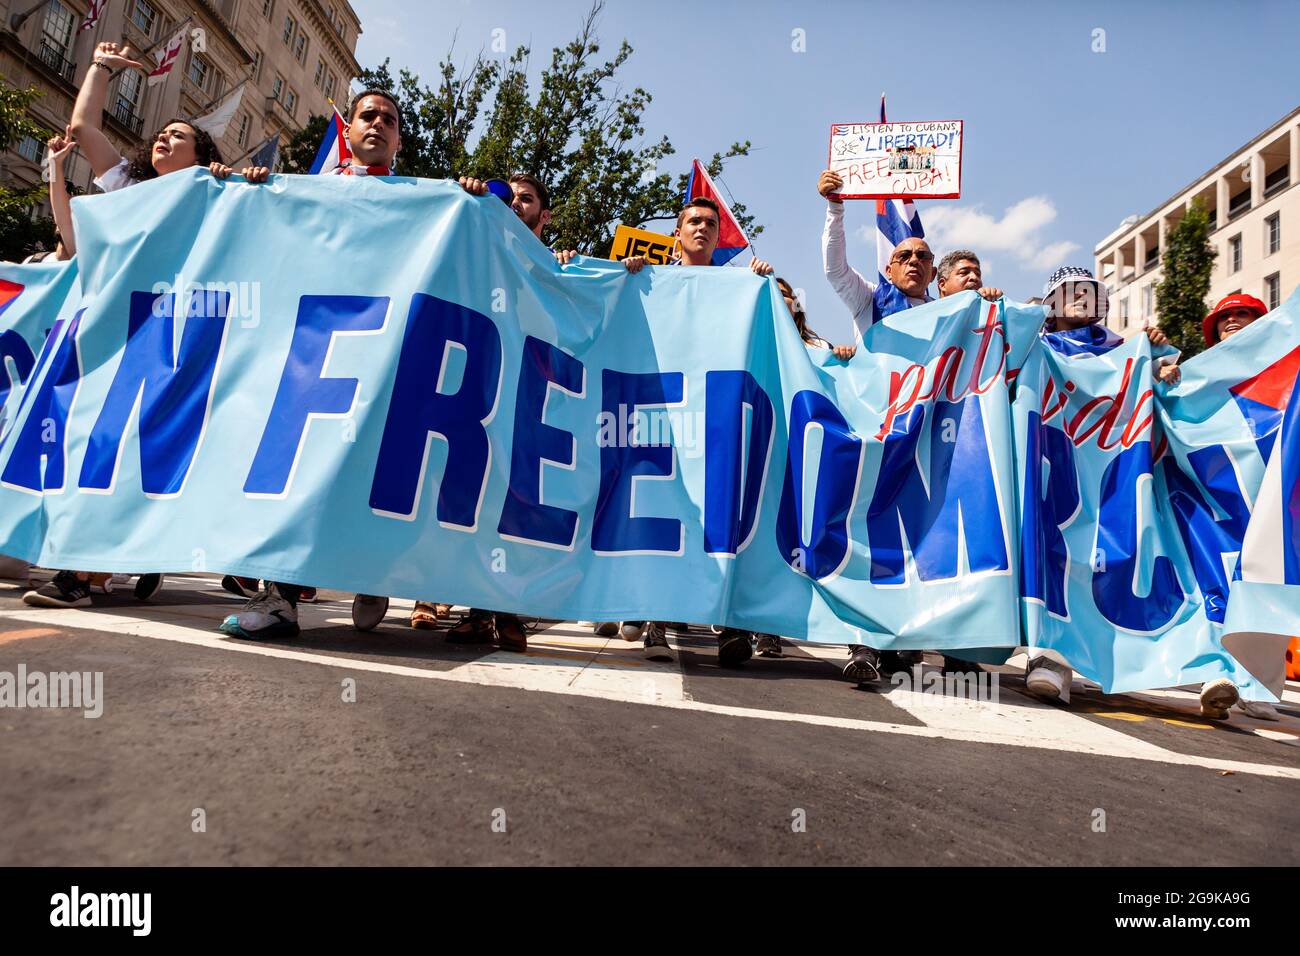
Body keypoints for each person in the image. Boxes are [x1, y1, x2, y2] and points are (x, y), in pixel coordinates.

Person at [20, 40, 228, 610]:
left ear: (201, 153)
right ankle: (104, 564)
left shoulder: (217, 197)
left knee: (131, 445)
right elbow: (83, 124)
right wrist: (101, 67)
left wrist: (232, 184)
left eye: (179, 135)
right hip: (110, 338)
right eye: (162, 133)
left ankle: (86, 574)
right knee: (92, 440)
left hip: (172, 344)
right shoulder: (126, 189)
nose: (164, 137)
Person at [215, 89, 403, 641]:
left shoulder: (422, 201)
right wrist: (245, 193)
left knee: (365, 464)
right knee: (289, 464)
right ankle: (277, 600)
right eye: (368, 115)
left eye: (389, 120)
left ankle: (369, 570)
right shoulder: (308, 190)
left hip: (379, 352)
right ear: (350, 129)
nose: (378, 124)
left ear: (397, 138)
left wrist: (470, 196)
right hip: (309, 352)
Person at [621, 197, 773, 667]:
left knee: (724, 517)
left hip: (718, 419)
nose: (703, 228)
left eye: (711, 222)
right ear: (677, 234)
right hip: (666, 413)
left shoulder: (738, 287)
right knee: (665, 516)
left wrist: (760, 283)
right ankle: (655, 622)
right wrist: (627, 276)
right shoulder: (651, 280)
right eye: (694, 221)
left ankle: (731, 625)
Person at [438, 172, 581, 653]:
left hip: (532, 399)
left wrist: (568, 271)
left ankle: (504, 608)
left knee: (517, 499)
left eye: (528, 199)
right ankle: (472, 604)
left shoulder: (557, 266)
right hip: (479, 389)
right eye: (511, 197)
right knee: (472, 492)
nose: (516, 204)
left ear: (544, 215)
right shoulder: (480, 247)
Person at [1023, 266, 1179, 703]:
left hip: (1108, 471)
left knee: (1113, 557)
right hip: (1055, 463)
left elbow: (1158, 385)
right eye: (1069, 292)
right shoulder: (1036, 344)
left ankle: (1114, 657)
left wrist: (1162, 363)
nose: (1080, 298)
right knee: (1051, 554)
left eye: (1088, 291)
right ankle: (1048, 658)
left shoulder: (1125, 351)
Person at [1196, 292, 1278, 721]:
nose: (1232, 322)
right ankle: (1220, 674)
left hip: (1271, 497)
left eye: (1242, 314)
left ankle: (1259, 683)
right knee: (1217, 583)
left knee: (1269, 583)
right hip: (1218, 501)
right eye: (1225, 317)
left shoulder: (1284, 373)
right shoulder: (1201, 381)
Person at [935, 249, 1002, 301]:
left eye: (978, 274)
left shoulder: (991, 312)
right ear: (943, 285)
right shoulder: (927, 315)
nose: (974, 277)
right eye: (964, 272)